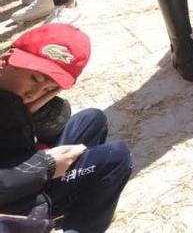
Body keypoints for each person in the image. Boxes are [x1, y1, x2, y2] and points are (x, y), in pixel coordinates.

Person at [0, 25, 132, 232]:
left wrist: (25, 113)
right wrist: (45, 166)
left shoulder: (11, 102)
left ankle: (73, 206)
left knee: (92, 119)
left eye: (50, 88)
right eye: (35, 78)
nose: (35, 93)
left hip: (19, 179)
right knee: (116, 157)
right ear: (5, 60)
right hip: (10, 208)